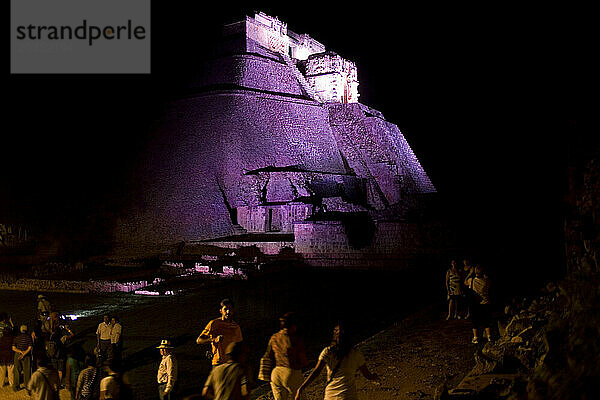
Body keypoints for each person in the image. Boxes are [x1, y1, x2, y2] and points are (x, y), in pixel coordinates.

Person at [295, 323, 380, 400]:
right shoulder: (355, 354)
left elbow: (316, 372)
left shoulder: (327, 352)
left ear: (334, 336)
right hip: (348, 395)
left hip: (331, 396)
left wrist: (301, 388)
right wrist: (374, 376)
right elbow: (367, 374)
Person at [264, 312, 308, 400]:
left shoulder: (274, 337)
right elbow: (303, 360)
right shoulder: (294, 339)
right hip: (291, 373)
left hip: (276, 374)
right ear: (294, 326)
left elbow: (268, 355)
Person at [196, 298, 243, 366]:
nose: (228, 311)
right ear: (221, 311)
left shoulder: (236, 327)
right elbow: (199, 340)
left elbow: (240, 346)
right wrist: (213, 339)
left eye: (230, 309)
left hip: (232, 364)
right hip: (218, 363)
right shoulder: (214, 323)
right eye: (225, 309)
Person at [466, 264, 492, 344]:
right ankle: (489, 336)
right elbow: (489, 287)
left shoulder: (471, 280)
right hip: (485, 302)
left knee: (475, 321)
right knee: (486, 320)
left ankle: (475, 337)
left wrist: (469, 274)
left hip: (475, 303)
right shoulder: (486, 280)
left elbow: (465, 282)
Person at [12, 324, 34, 391]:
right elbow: (30, 347)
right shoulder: (29, 337)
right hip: (26, 355)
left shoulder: (17, 337)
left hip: (17, 355)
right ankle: (27, 386)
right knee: (27, 371)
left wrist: (20, 352)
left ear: (20, 330)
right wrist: (24, 353)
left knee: (17, 371)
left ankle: (16, 387)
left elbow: (13, 348)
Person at [0, 312, 15, 389]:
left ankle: (1, 384)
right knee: (10, 370)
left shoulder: (1, 339)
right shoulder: (11, 338)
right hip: (10, 356)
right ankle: (11, 383)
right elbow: (13, 330)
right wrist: (11, 322)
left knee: (2, 371)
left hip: (2, 356)